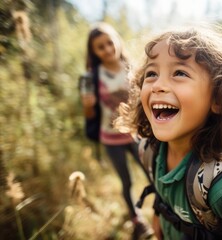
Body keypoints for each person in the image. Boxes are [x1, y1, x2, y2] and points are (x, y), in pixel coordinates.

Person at [114, 23, 222, 240]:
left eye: (179, 72)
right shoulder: (150, 151)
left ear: (218, 99)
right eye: (152, 73)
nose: (158, 85)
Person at [80, 22, 153, 239]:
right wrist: (87, 106)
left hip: (137, 134)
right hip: (110, 138)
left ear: (117, 41)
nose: (108, 49)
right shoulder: (90, 77)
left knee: (152, 174)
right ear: (94, 52)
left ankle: (165, 211)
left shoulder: (135, 67)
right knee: (127, 181)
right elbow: (90, 116)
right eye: (100, 47)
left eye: (110, 43)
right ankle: (137, 220)